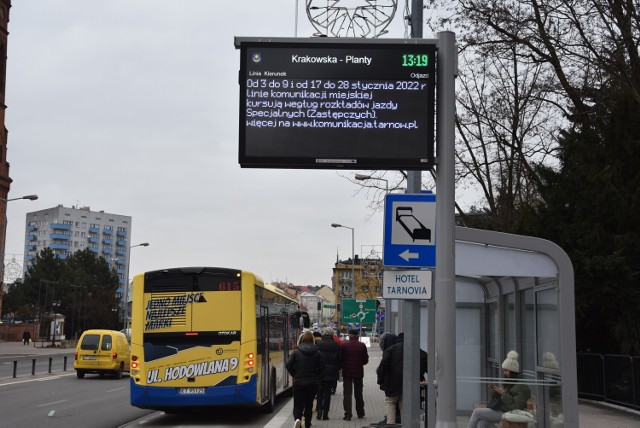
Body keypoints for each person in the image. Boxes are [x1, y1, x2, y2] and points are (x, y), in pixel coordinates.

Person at [467, 350, 531, 428]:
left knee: (477, 412)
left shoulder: (521, 386)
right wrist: (495, 392)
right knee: (481, 423)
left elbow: (516, 407)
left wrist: (503, 393)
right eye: (504, 370)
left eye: (506, 370)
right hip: (501, 409)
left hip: (507, 412)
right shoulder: (510, 381)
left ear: (513, 371)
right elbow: (503, 398)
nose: (504, 373)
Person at [376, 332, 428, 425]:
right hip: (409, 383)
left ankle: (391, 423)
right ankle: (405, 424)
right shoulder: (416, 350)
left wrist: (380, 380)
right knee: (404, 403)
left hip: (392, 383)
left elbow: (382, 366)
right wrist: (421, 374)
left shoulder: (390, 350)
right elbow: (425, 360)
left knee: (390, 401)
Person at [287, 331, 324, 428]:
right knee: (309, 404)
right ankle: (307, 424)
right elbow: (322, 367)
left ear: (302, 340)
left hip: (299, 381)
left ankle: (297, 419)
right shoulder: (317, 352)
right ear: (312, 340)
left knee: (297, 404)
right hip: (312, 382)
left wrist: (294, 373)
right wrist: (317, 376)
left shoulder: (296, 351)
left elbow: (288, 364)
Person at [340, 328, 369, 421]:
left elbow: (340, 359)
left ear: (349, 335)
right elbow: (365, 360)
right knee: (358, 393)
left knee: (347, 394)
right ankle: (360, 413)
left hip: (347, 372)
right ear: (357, 335)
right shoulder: (362, 345)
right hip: (358, 373)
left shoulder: (344, 345)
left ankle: (348, 415)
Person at [315, 327, 342, 420]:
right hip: (331, 372)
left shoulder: (318, 344)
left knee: (319, 393)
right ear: (332, 334)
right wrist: (336, 369)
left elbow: (315, 358)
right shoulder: (336, 345)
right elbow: (340, 359)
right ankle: (325, 414)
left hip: (319, 372)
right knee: (327, 394)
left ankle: (319, 411)